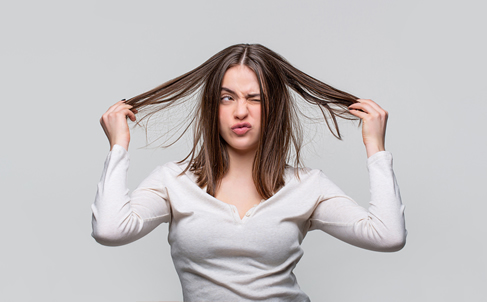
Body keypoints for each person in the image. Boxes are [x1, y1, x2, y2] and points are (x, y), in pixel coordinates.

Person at [91, 43, 406, 301]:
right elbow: (109, 230)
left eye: (255, 99)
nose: (240, 111)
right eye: (227, 98)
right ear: (212, 107)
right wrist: (118, 146)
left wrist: (375, 147)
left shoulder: (308, 186)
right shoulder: (174, 181)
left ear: (274, 107)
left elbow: (388, 236)